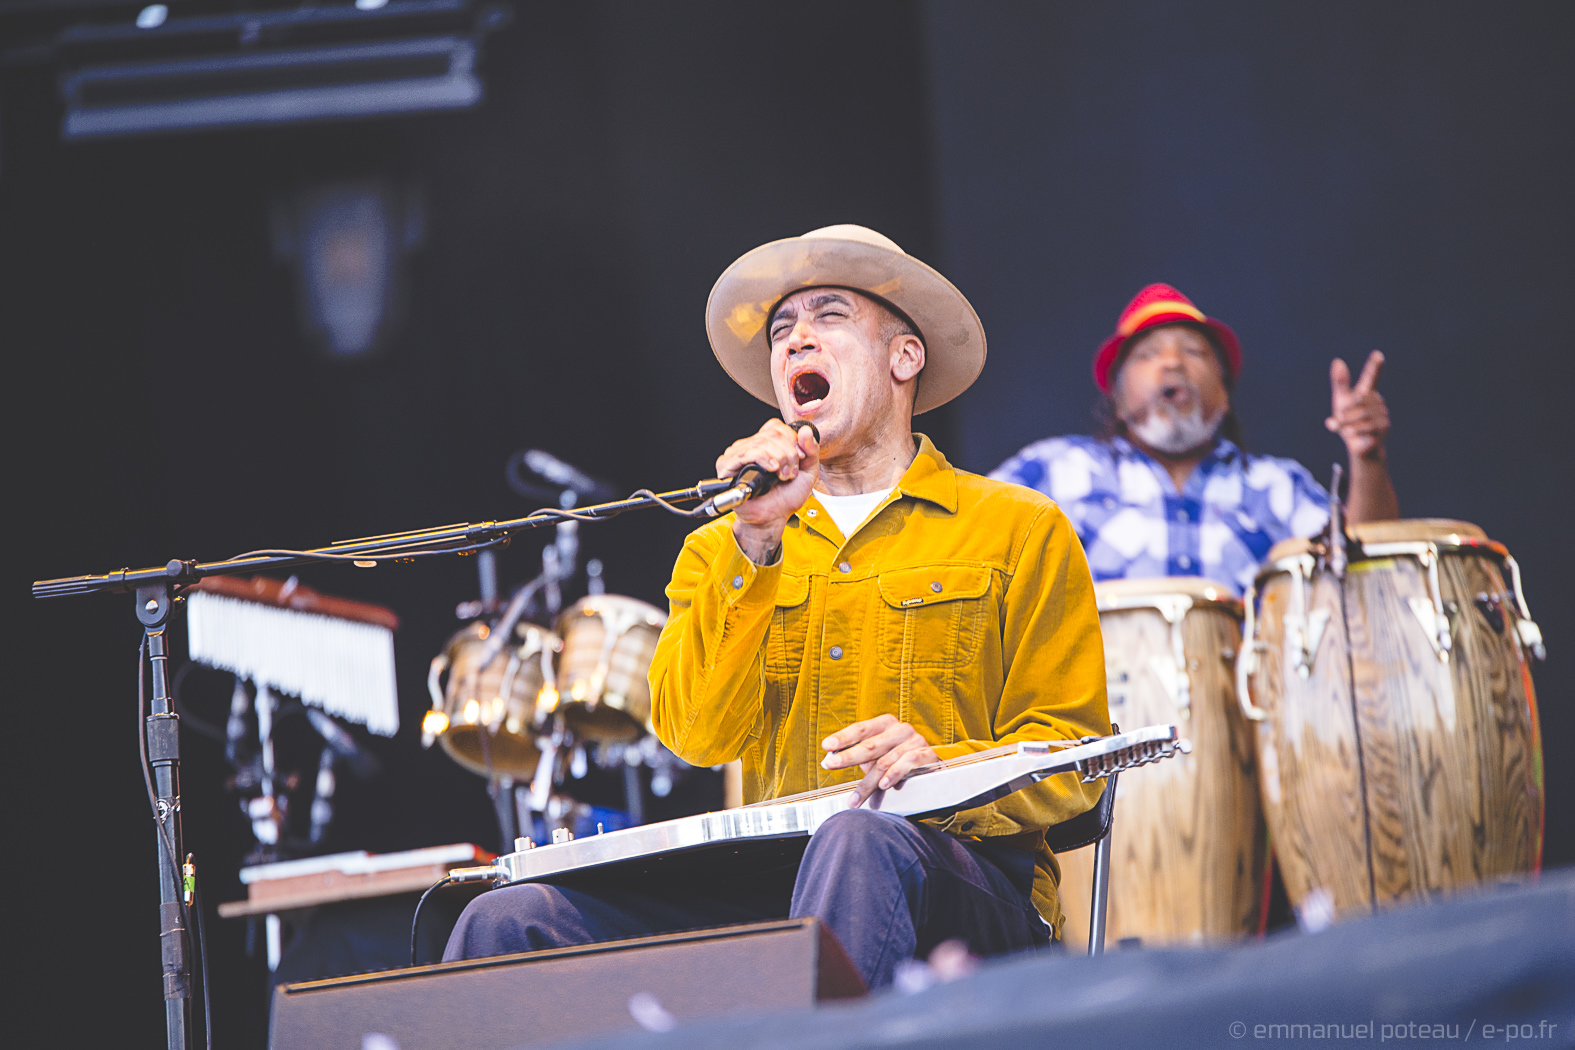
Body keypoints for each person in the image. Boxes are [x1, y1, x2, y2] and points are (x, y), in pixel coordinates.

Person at [443, 225, 1111, 989]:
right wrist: (754, 543)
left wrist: (941, 767)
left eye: (830, 315)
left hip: (968, 882)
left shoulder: (1017, 527)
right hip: (776, 885)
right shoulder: (721, 547)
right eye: (781, 330)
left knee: (858, 839)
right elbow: (695, 734)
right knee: (506, 919)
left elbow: (1077, 760)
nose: (797, 339)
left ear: (904, 357)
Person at [991, 283, 1398, 595]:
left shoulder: (1275, 484)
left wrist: (1367, 458)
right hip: (1097, 684)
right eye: (1148, 354)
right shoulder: (1055, 470)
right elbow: (964, 537)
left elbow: (1363, 571)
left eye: (1193, 352)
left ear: (1224, 394)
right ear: (1117, 398)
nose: (1172, 362)